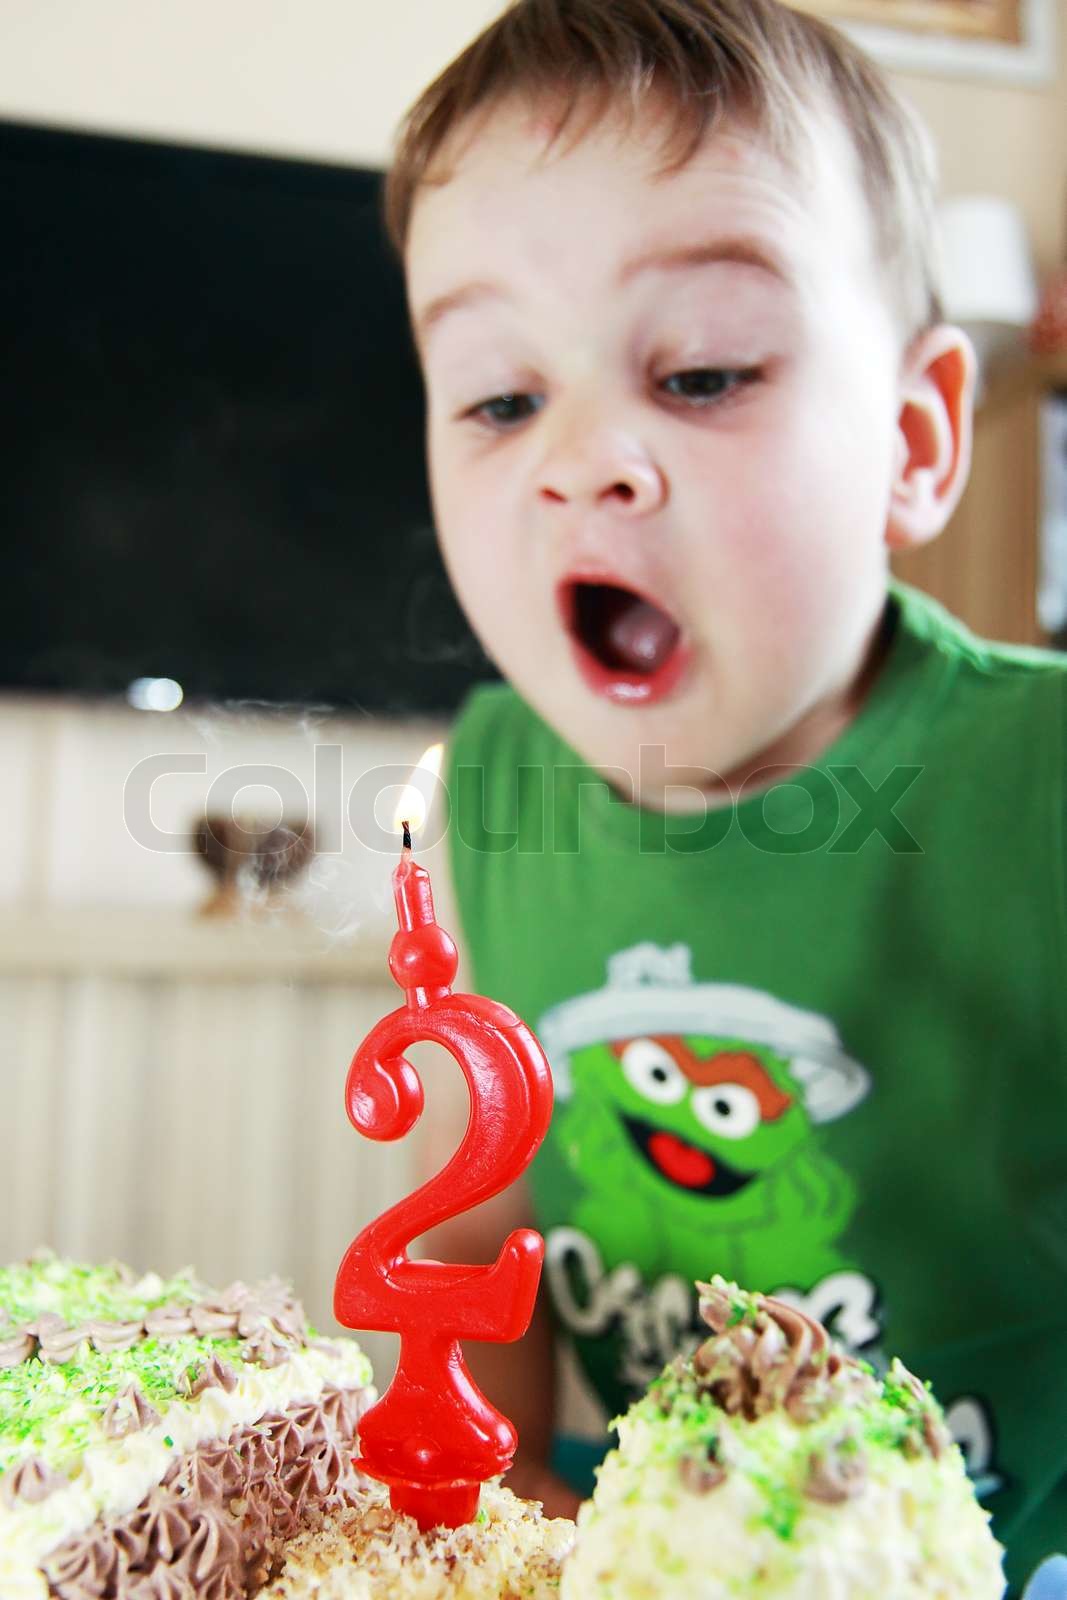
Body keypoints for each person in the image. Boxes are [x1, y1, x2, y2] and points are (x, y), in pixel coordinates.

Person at [382, 1, 1067, 1591]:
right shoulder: (479, 794)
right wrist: (496, 1538)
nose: (583, 459)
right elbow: (485, 1240)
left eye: (698, 371)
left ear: (914, 437)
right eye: (499, 397)